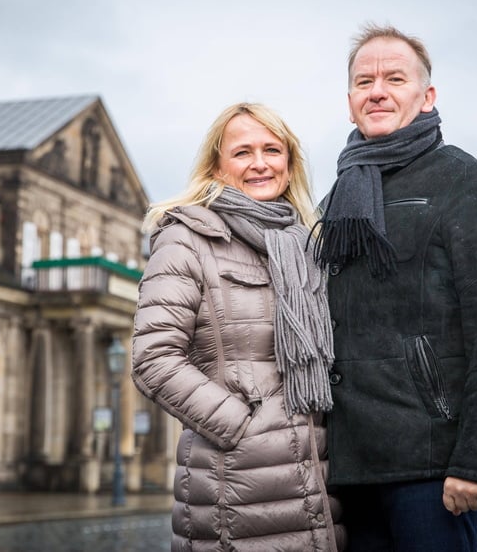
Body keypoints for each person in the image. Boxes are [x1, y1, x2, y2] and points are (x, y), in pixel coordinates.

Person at [313, 24, 477, 551]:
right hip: (350, 471)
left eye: (395, 77)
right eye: (364, 81)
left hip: (433, 471)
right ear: (350, 103)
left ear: (426, 95)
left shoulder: (469, 185)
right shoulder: (337, 200)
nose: (378, 90)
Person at [131, 102, 346, 551]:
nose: (260, 163)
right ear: (217, 165)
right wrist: (241, 426)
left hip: (318, 481)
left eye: (272, 150)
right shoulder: (186, 238)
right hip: (234, 483)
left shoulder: (305, 244)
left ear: (289, 165)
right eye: (243, 152)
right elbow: (153, 357)